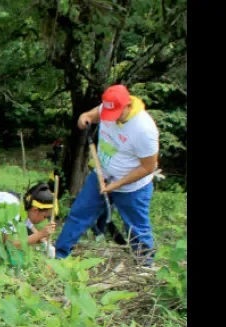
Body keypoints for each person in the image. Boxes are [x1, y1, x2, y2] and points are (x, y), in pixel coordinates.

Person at [54, 84, 159, 267]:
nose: (111, 118)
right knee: (79, 213)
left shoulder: (144, 129)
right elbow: (94, 114)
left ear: (127, 105)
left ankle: (145, 267)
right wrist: (85, 116)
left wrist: (117, 185)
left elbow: (148, 167)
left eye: (116, 113)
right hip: (101, 174)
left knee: (137, 228)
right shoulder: (108, 107)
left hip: (132, 187)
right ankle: (59, 255)